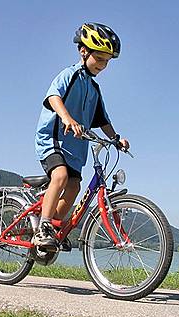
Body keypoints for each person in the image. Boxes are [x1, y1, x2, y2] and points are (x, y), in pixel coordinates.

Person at [33, 22, 130, 251]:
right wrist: (67, 118)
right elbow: (54, 97)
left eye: (107, 61)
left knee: (75, 186)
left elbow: (102, 120)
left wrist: (116, 138)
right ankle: (42, 229)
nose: (103, 65)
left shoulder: (94, 89)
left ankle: (53, 227)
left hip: (76, 148)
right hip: (53, 139)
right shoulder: (70, 74)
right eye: (100, 58)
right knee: (61, 176)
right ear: (83, 51)